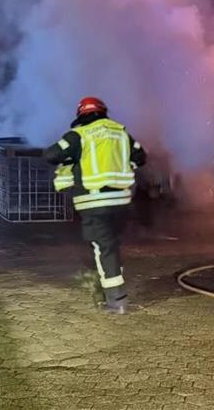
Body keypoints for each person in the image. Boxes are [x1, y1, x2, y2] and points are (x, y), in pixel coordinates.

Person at [45, 96, 146, 314]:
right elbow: (141, 156)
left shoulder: (79, 135)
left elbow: (51, 154)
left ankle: (116, 301)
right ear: (102, 112)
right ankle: (113, 291)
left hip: (93, 202)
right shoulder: (121, 133)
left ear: (81, 116)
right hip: (121, 202)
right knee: (112, 247)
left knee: (104, 249)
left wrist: (72, 161)